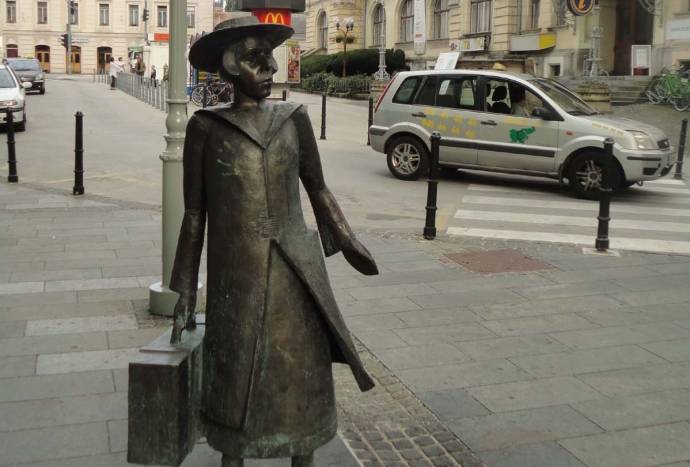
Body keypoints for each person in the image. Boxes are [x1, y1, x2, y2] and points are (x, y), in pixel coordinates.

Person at [169, 16, 377, 467]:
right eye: (254, 59)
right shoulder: (205, 128)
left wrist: (346, 237)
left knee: (299, 364)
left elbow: (317, 188)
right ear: (228, 68)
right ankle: (234, 453)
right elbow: (193, 214)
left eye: (270, 58)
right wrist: (183, 286)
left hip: (294, 266)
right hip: (235, 273)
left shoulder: (294, 119)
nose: (268, 68)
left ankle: (304, 446)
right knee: (236, 370)